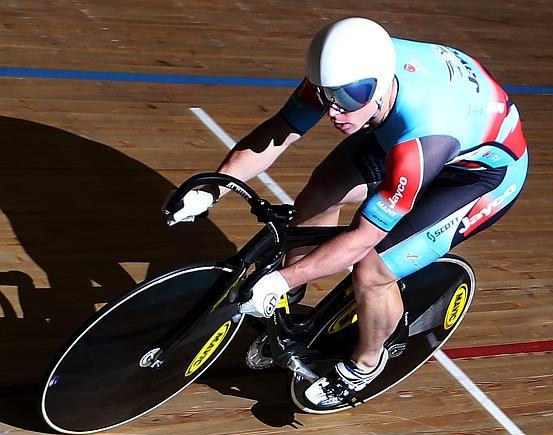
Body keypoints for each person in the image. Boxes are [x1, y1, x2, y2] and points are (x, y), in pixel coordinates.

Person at [168, 17, 528, 407]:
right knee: (321, 190)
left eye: (350, 98)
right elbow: (278, 132)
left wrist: (281, 279)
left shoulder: (424, 134)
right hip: (406, 124)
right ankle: (287, 304)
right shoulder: (345, 73)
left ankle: (366, 363)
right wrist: (212, 187)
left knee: (373, 268)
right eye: (328, 97)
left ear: (378, 83)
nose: (336, 111)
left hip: (479, 176)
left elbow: (362, 240)